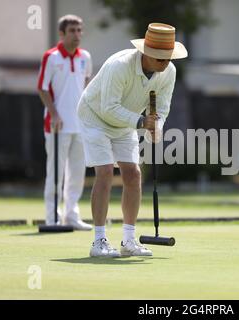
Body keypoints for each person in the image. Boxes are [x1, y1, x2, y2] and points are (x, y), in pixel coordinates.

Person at [77, 23, 188, 257]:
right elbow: (108, 108)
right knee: (105, 171)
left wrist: (156, 127)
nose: (165, 63)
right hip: (95, 117)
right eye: (160, 58)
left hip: (126, 123)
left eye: (168, 58)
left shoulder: (169, 72)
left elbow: (163, 108)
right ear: (146, 53)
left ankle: (128, 241)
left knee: (133, 174)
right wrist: (141, 122)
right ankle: (99, 242)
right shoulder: (120, 66)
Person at [37, 15, 93, 231]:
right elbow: (42, 88)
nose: (77, 35)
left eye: (79, 30)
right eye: (72, 31)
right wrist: (55, 114)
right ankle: (52, 216)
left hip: (80, 125)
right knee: (55, 173)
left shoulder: (85, 57)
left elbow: (86, 83)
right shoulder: (51, 57)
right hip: (56, 125)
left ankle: (71, 215)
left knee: (77, 173)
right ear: (61, 33)